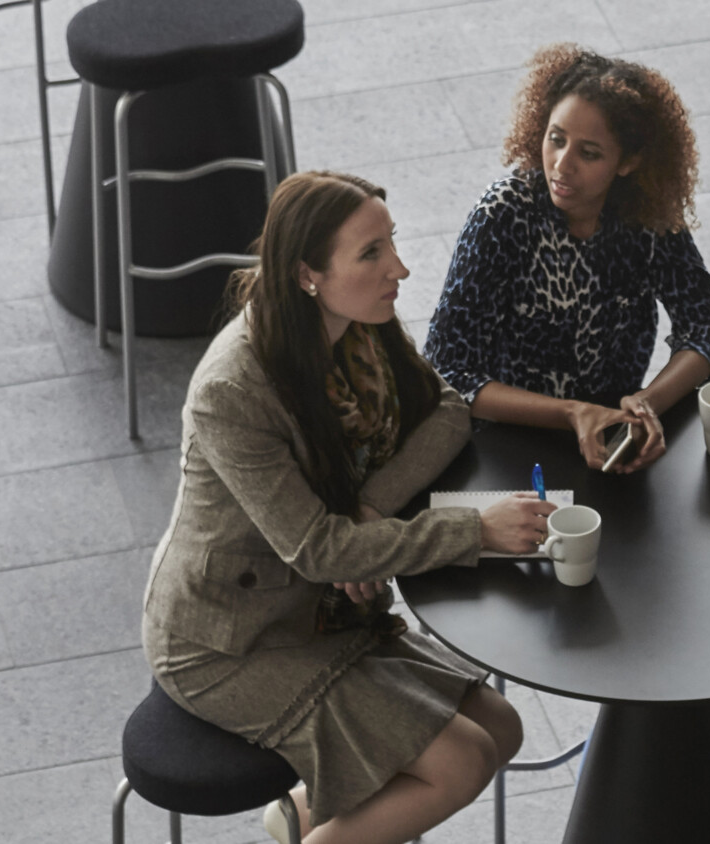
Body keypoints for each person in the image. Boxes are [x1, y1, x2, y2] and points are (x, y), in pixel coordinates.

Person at [142, 171, 556, 844]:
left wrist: (368, 509)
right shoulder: (234, 388)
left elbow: (445, 410)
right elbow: (317, 551)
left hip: (324, 615)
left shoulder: (361, 330)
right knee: (460, 762)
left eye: (390, 243)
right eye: (371, 254)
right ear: (308, 273)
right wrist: (472, 531)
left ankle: (297, 818)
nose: (400, 267)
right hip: (232, 641)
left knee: (501, 727)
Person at [424, 43, 710, 473]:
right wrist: (572, 413)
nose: (561, 165)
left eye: (589, 153)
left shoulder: (646, 216)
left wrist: (647, 403)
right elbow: (448, 369)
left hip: (613, 437)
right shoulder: (502, 215)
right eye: (556, 140)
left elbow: (707, 325)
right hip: (508, 444)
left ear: (627, 162)